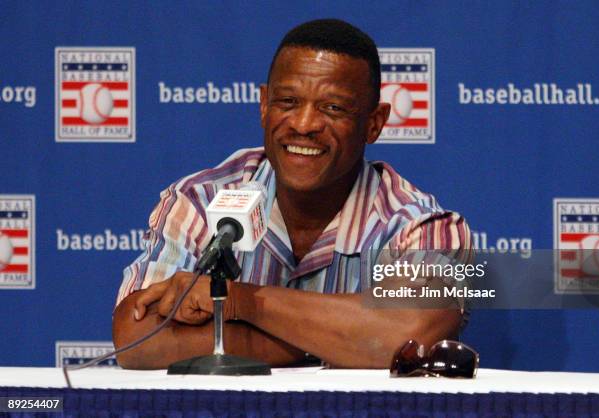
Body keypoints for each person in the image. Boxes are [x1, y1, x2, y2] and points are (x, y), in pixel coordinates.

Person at [112, 19, 472, 369]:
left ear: (374, 123)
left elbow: (407, 334)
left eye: (332, 107)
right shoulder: (199, 200)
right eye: (287, 101)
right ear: (264, 106)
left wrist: (241, 302)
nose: (303, 125)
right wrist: (340, 342)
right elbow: (139, 336)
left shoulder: (422, 226)